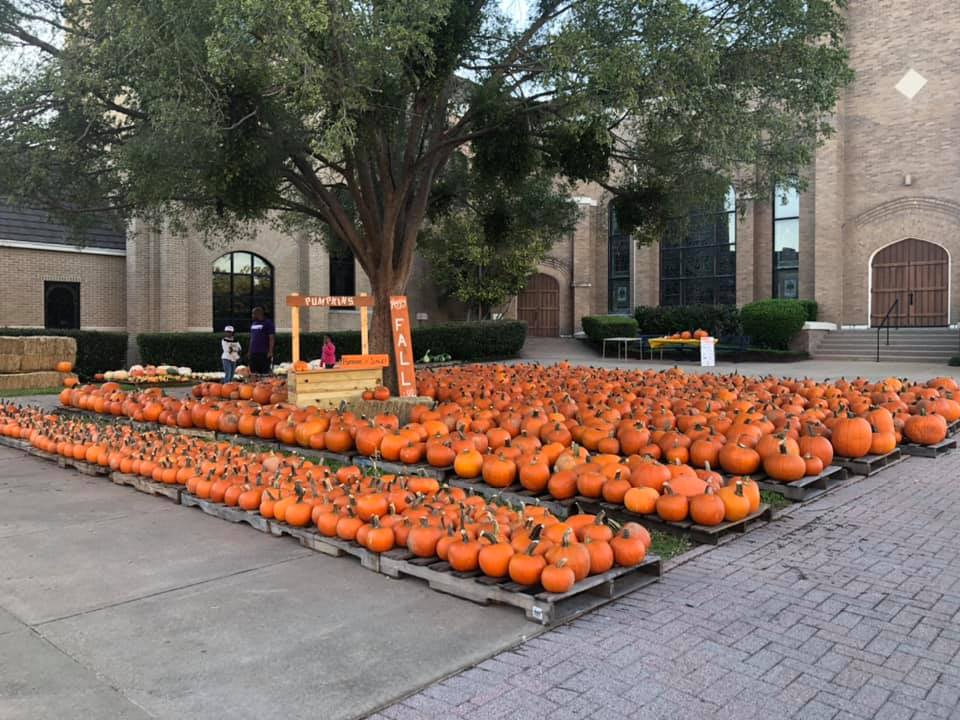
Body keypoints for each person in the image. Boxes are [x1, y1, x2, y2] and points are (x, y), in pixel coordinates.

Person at [248, 306, 275, 377]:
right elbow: (252, 338)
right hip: (254, 352)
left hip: (264, 352)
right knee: (253, 372)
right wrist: (249, 351)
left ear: (259, 313)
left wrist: (270, 351)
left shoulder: (268, 323)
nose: (252, 315)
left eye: (253, 314)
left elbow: (271, 337)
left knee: (264, 373)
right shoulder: (253, 324)